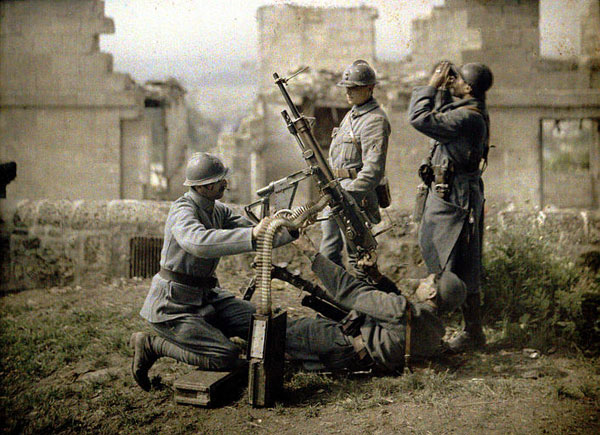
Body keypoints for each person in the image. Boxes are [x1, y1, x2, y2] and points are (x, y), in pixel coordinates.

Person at [129, 152, 295, 391]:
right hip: (174, 308)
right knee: (225, 356)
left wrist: (292, 229)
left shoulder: (218, 210)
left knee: (265, 324)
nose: (225, 183)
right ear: (202, 187)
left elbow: (261, 235)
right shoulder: (182, 210)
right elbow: (198, 242)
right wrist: (252, 234)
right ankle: (151, 345)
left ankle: (212, 334)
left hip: (208, 298)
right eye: (218, 181)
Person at [286, 233, 466, 373]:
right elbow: (400, 309)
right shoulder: (434, 333)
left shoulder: (400, 311)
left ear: (432, 293)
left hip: (339, 345)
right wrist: (376, 276)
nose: (422, 281)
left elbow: (351, 291)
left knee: (285, 329)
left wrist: (311, 252)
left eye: (427, 281)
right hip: (355, 361)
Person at [408, 61, 493, 353]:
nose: (452, 81)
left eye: (457, 79)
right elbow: (442, 116)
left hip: (455, 200)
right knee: (463, 262)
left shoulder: (467, 117)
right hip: (457, 195)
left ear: (468, 87)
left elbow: (420, 118)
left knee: (446, 264)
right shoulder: (471, 110)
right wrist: (444, 91)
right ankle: (472, 332)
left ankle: (434, 336)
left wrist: (432, 85)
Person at [319, 60, 391, 275]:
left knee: (359, 258)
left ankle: (368, 295)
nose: (348, 92)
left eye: (354, 88)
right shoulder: (352, 115)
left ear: (370, 88)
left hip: (356, 198)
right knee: (328, 253)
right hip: (337, 193)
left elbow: (373, 171)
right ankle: (340, 293)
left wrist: (347, 196)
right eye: (346, 87)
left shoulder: (375, 120)